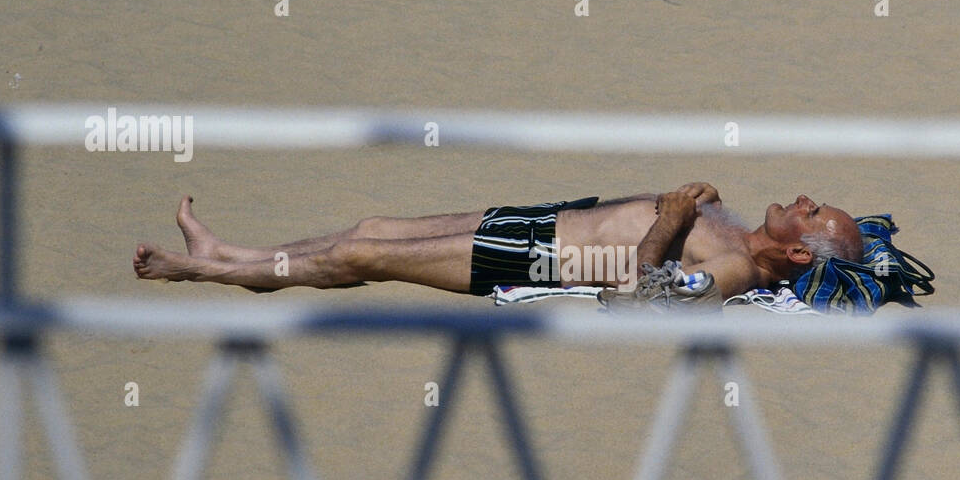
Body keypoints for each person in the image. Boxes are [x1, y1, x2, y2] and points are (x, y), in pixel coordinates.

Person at [132, 185, 864, 300]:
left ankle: (202, 270)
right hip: (544, 218)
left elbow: (650, 296)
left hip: (537, 258)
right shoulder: (738, 228)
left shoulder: (737, 264)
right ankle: (230, 252)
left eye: (812, 213)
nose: (802, 201)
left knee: (360, 260)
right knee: (368, 232)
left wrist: (671, 215)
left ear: (799, 253)